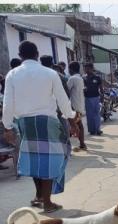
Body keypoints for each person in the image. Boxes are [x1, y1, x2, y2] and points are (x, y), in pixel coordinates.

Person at [2, 41, 76, 212]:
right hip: (47, 121)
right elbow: (62, 99)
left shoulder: (12, 74)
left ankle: (39, 195)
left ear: (20, 56)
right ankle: (47, 201)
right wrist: (71, 118)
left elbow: (8, 103)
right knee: (53, 158)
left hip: (25, 123)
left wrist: (7, 127)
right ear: (36, 54)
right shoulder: (50, 73)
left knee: (36, 158)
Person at [67, 62, 87, 151]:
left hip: (73, 105)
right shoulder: (80, 78)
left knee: (72, 125)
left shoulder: (72, 78)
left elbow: (66, 90)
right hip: (80, 104)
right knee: (79, 124)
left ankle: (73, 145)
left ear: (70, 69)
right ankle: (82, 144)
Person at [83, 63, 104, 136]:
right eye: (85, 68)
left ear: (92, 69)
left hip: (96, 97)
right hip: (87, 98)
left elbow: (101, 88)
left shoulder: (97, 77)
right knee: (89, 115)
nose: (86, 70)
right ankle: (91, 130)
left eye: (88, 68)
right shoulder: (84, 78)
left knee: (97, 114)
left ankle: (98, 129)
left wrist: (102, 97)